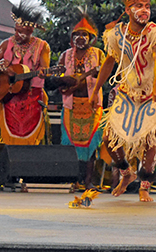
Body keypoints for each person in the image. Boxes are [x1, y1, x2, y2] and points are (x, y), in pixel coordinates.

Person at [89, 0, 156, 203]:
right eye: (138, 6)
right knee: (109, 138)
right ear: (128, 10)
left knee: (150, 141)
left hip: (151, 93)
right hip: (127, 92)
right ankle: (127, 173)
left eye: (147, 6)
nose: (144, 10)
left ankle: (145, 187)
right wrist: (96, 89)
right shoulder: (116, 34)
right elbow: (109, 61)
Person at [0, 0, 51, 148]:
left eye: (21, 32)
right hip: (10, 96)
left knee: (31, 139)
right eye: (16, 30)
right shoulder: (6, 43)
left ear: (30, 31)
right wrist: (2, 69)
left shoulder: (42, 46)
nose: (17, 34)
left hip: (33, 96)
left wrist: (43, 73)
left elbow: (45, 70)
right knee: (11, 138)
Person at [58, 11, 105, 190]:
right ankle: (73, 180)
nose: (80, 37)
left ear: (90, 37)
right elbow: (59, 79)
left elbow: (106, 75)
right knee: (71, 145)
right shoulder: (65, 55)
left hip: (92, 106)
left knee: (91, 146)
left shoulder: (99, 55)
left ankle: (88, 181)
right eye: (76, 34)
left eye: (84, 34)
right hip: (71, 105)